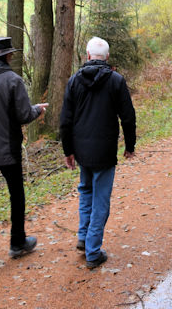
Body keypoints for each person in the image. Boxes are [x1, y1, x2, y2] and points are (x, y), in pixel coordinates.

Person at [0, 36, 47, 275]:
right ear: (7, 56)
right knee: (17, 195)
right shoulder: (13, 80)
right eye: (11, 54)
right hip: (8, 150)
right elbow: (24, 115)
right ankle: (17, 243)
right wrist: (38, 110)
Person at [60, 36, 137, 269]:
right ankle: (93, 251)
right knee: (100, 199)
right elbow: (128, 116)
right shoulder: (116, 81)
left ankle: (84, 238)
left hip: (82, 151)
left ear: (87, 55)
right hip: (104, 150)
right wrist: (130, 146)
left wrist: (68, 150)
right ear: (107, 57)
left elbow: (65, 120)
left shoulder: (74, 81)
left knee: (86, 192)